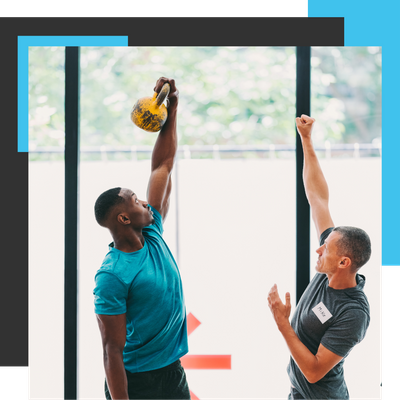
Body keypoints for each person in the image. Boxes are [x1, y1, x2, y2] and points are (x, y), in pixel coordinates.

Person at [93, 77, 190, 400]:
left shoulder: (152, 232)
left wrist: (172, 109)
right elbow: (111, 352)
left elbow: (162, 165)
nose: (145, 202)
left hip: (171, 371)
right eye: (136, 200)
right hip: (137, 382)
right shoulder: (112, 275)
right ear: (123, 218)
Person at [267, 114, 371, 400]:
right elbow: (317, 197)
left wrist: (282, 323)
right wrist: (306, 141)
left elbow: (314, 371)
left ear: (344, 262)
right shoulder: (329, 269)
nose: (319, 248)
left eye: (326, 248)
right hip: (298, 394)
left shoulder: (354, 313)